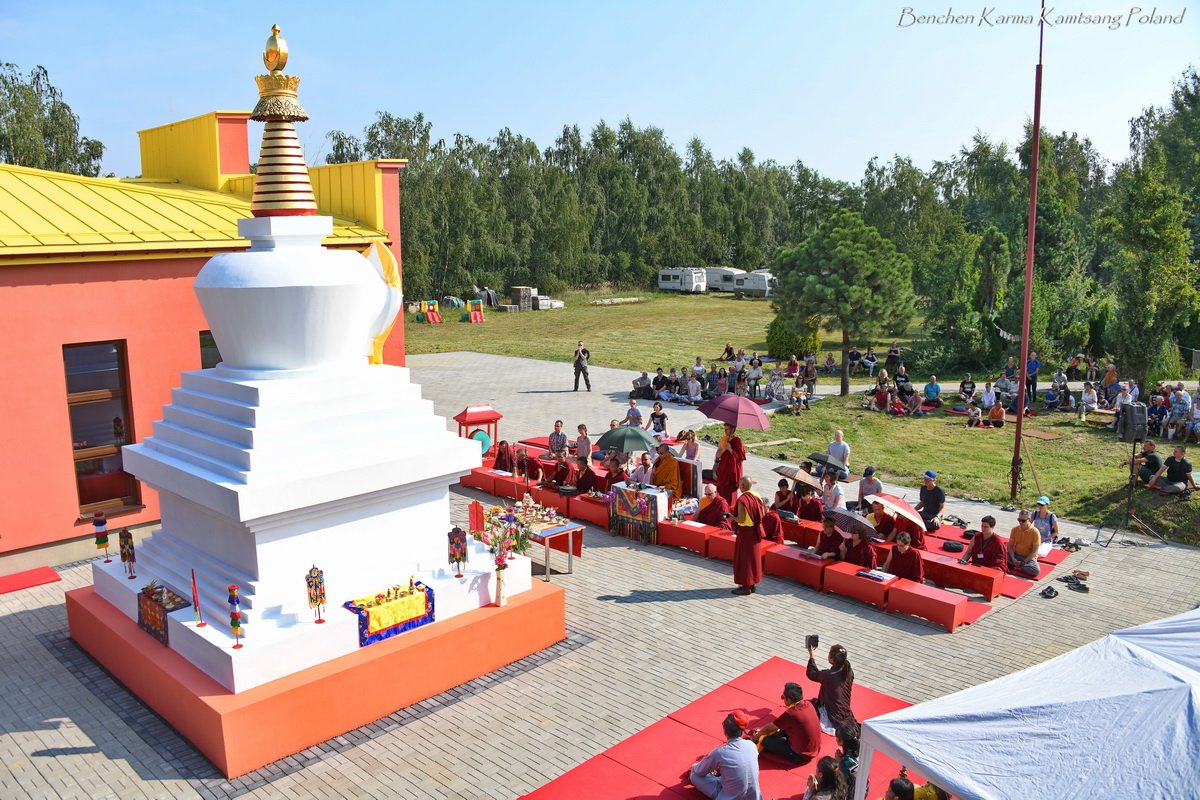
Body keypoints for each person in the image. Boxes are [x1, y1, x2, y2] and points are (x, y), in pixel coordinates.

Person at [689, 712, 762, 800]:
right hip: (755, 797)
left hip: (731, 797)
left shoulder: (720, 753)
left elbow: (699, 771)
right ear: (743, 730)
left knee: (694, 775)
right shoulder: (751, 745)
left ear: (725, 731)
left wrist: (695, 766)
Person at [753, 682, 821, 766]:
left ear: (789, 700)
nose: (782, 698)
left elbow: (768, 728)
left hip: (800, 756)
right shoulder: (809, 704)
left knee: (764, 739)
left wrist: (756, 737)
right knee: (780, 731)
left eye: (783, 697)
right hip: (814, 749)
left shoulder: (792, 713)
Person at [806, 642, 856, 735]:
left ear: (832, 659)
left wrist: (812, 656)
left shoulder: (829, 675)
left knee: (806, 708)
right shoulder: (849, 672)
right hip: (844, 711)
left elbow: (812, 674)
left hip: (833, 715)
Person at [732, 476, 766, 595]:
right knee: (753, 559)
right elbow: (763, 513)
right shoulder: (757, 496)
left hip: (745, 533)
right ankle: (752, 585)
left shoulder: (742, 499)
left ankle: (745, 588)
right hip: (755, 532)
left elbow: (740, 519)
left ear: (742, 485)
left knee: (744, 560)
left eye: (739, 484)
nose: (738, 487)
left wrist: (731, 517)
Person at [714, 423, 746, 503]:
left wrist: (731, 450)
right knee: (720, 492)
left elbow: (741, 456)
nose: (725, 431)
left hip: (731, 473)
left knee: (729, 494)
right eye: (724, 429)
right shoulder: (724, 439)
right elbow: (717, 455)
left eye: (727, 429)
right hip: (723, 470)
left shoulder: (737, 441)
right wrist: (724, 449)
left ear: (733, 429)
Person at [1007, 510, 1041, 577]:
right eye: (1019, 520)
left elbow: (1034, 551)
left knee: (1036, 570)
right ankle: (1017, 566)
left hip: (1028, 558)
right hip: (1016, 555)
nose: (1020, 522)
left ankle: (1015, 567)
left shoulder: (1035, 532)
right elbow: (1010, 546)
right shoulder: (1014, 529)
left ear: (1029, 519)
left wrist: (1023, 562)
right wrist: (1013, 559)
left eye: (1023, 520)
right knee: (999, 558)